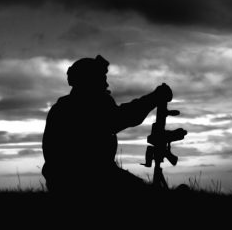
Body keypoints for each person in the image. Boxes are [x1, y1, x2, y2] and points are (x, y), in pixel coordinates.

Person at [41, 55, 173, 194]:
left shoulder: (61, 107)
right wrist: (154, 98)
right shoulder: (90, 105)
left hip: (64, 182)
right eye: (102, 79)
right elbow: (123, 117)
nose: (106, 85)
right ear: (90, 81)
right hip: (89, 180)